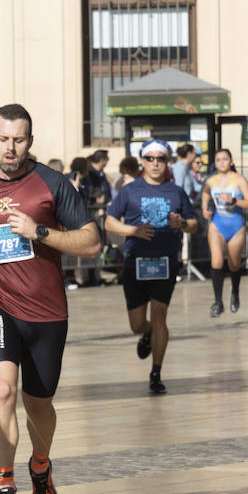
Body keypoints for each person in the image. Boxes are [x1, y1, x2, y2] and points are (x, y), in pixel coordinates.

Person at [0, 104, 100, 494]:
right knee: (1, 391)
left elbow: (91, 242)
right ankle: (3, 486)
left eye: (18, 139)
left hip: (47, 312)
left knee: (39, 405)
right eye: (2, 138)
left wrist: (40, 232)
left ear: (29, 141)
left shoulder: (53, 185)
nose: (10, 147)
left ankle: (41, 466)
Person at [104, 139, 198, 394]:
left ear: (167, 161)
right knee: (137, 323)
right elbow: (109, 223)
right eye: (150, 158)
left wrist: (181, 224)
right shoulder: (130, 190)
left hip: (165, 261)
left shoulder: (175, 192)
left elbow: (194, 224)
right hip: (136, 262)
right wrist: (133, 230)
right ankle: (146, 335)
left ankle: (156, 373)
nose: (155, 163)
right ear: (142, 161)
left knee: (159, 317)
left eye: (160, 159)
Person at [199, 148, 248, 316]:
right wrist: (204, 208)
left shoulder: (239, 179)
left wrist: (234, 200)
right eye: (218, 160)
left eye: (225, 159)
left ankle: (235, 292)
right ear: (214, 163)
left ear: (231, 161)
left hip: (236, 226)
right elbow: (205, 194)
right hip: (217, 225)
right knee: (216, 261)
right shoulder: (211, 180)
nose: (222, 162)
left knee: (234, 264)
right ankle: (217, 302)